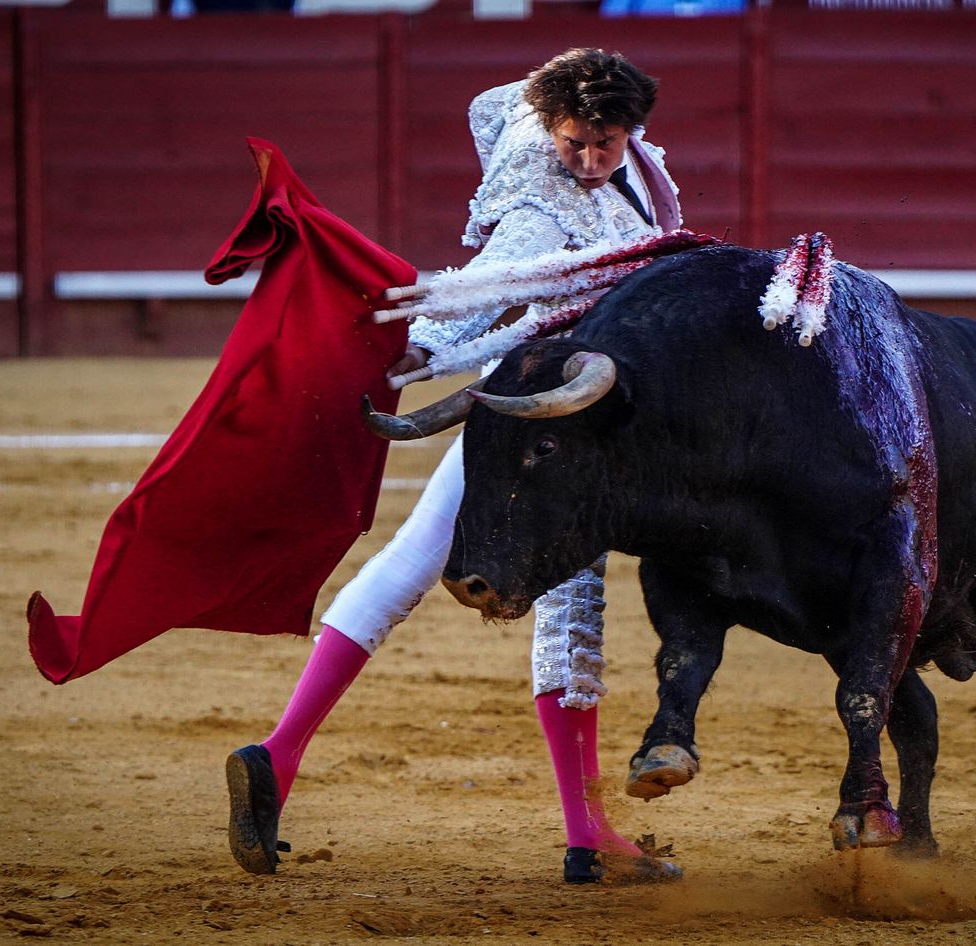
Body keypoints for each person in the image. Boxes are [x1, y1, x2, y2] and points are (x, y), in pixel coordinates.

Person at [226, 48, 684, 884]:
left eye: (604, 143)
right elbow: (473, 291)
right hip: (538, 432)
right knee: (568, 606)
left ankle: (278, 756)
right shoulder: (536, 211)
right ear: (551, 129)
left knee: (411, 563)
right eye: (574, 141)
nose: (587, 159)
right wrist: (408, 359)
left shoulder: (643, 173)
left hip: (568, 423)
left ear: (634, 130)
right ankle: (585, 837)